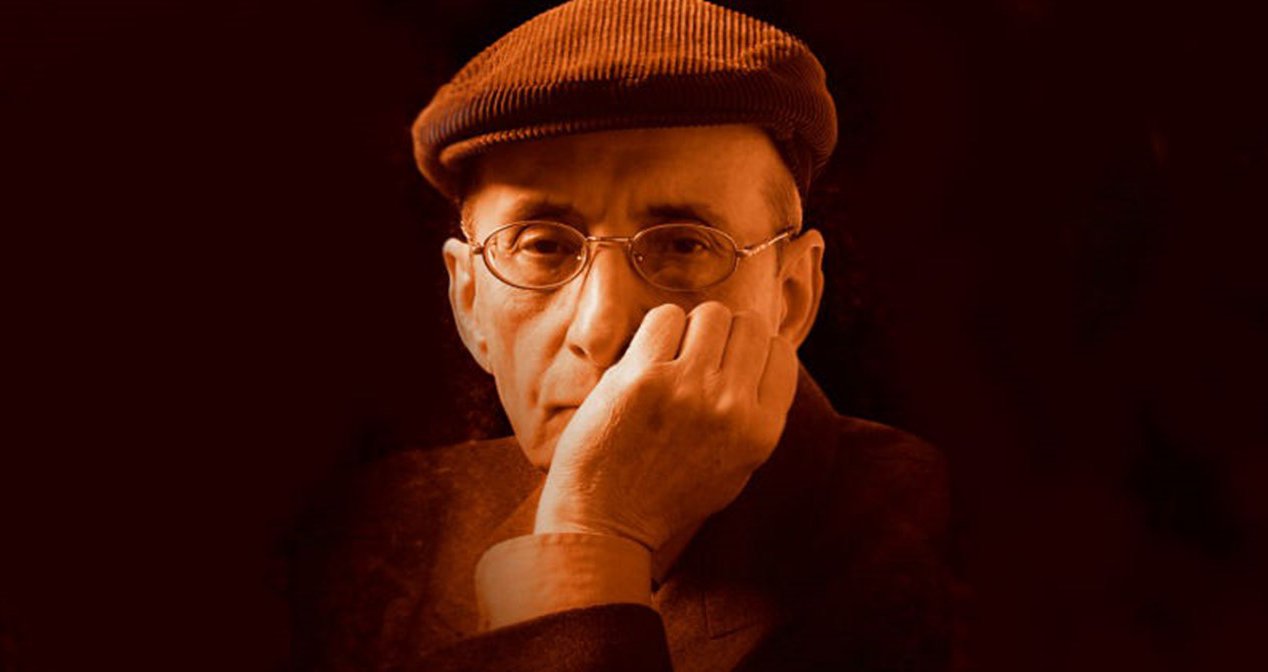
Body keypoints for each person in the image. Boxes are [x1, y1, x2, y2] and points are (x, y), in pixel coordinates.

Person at [290, 1, 959, 670]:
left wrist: (591, 539)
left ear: (790, 298)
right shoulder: (376, 534)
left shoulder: (943, 548)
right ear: (469, 303)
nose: (601, 328)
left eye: (684, 245)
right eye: (542, 246)